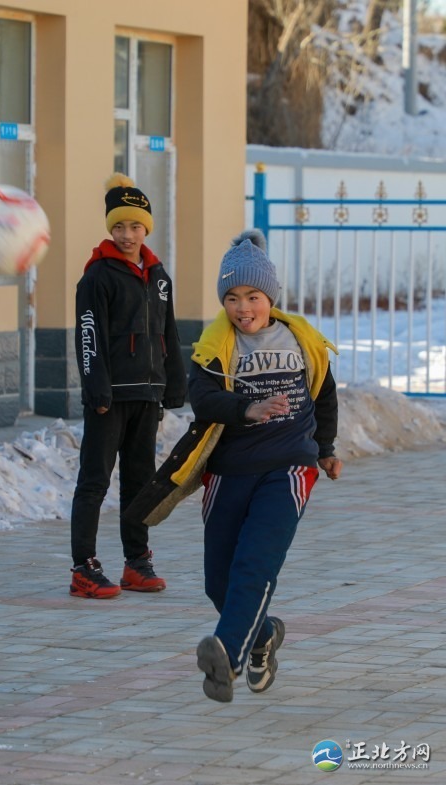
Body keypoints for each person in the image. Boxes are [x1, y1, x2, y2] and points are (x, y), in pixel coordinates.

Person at [188, 228, 343, 702]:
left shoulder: (300, 339)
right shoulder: (215, 343)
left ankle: (227, 657)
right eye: (232, 298)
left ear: (270, 297)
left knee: (255, 563)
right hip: (230, 469)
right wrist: (246, 409)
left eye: (252, 296)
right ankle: (264, 636)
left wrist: (325, 448)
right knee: (219, 581)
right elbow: (202, 399)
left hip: (289, 466)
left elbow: (324, 393)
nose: (243, 308)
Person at [69, 173, 187, 599]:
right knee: (95, 481)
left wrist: (174, 381)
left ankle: (136, 562)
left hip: (147, 395)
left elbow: (168, 332)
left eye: (135, 226)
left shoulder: (159, 276)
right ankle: (83, 567)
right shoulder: (97, 277)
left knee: (140, 483)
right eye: (118, 226)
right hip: (110, 397)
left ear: (146, 228)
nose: (126, 234)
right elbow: (88, 336)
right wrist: (96, 387)